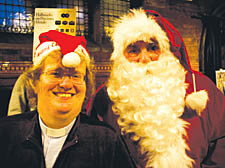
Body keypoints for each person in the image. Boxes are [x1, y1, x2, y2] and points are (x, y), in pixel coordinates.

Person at [88, 9, 225, 168]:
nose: (144, 59)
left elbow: (221, 148)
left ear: (166, 51)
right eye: (133, 50)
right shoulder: (104, 98)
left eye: (153, 48)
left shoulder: (201, 87)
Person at [0, 30, 135, 168]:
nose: (66, 84)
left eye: (76, 76)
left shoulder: (107, 140)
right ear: (35, 82)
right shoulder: (6, 133)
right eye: (56, 74)